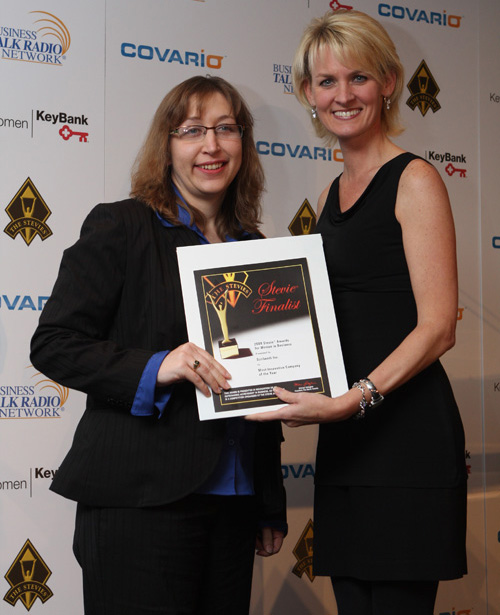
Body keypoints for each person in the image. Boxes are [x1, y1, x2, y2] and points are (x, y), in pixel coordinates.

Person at [30, 75, 286, 615]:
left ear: (244, 142)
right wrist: (157, 366)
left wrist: (268, 502)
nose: (211, 145)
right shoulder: (122, 226)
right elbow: (53, 343)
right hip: (140, 500)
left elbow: (262, 380)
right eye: (192, 130)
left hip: (234, 507)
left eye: (225, 129)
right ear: (166, 146)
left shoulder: (255, 247)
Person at [247, 10, 466, 615]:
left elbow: (438, 326)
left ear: (390, 82)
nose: (342, 95)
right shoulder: (327, 193)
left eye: (358, 78)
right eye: (325, 82)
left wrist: (349, 401)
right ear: (308, 95)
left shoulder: (415, 178)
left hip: (405, 438)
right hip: (347, 443)